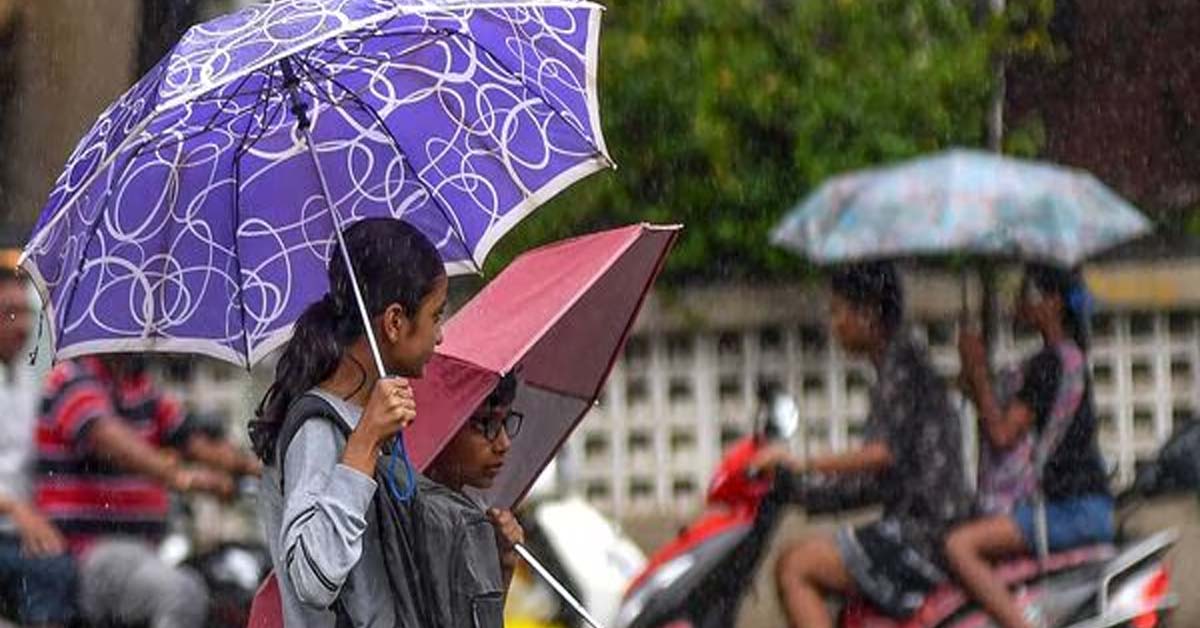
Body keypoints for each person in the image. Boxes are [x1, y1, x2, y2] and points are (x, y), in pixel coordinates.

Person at [753, 261, 973, 627]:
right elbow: (877, 479)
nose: (834, 323)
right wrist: (802, 493)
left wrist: (801, 464)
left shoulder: (902, 369)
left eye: (838, 311)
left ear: (868, 315)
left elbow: (881, 455)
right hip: (919, 524)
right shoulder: (896, 366)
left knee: (795, 566)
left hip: (926, 533)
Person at [253, 217, 450, 627]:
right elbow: (312, 579)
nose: (440, 336)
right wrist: (361, 447)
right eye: (436, 315)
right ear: (395, 322)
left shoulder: (366, 419)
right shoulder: (318, 429)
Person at [34, 349, 261, 628]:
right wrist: (185, 478)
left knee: (226, 588)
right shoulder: (72, 380)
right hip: (88, 552)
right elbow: (114, 443)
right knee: (181, 595)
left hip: (145, 550)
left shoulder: (139, 385)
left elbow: (192, 439)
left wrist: (259, 468)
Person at [944, 264, 1111, 628]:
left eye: (1027, 294)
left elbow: (1002, 435)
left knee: (960, 546)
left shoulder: (1049, 365)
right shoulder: (1070, 360)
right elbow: (994, 411)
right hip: (1089, 505)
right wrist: (975, 376)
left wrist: (977, 373)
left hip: (1066, 510)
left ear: (1052, 304)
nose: (1018, 301)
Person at [0, 267, 76, 628]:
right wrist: (16, 509)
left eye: (25, 312)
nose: (20, 324)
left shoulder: (30, 382)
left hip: (23, 530)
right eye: (7, 312)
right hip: (10, 528)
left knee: (63, 567)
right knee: (49, 574)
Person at [424, 371, 526, 600]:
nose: (503, 444)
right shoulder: (419, 516)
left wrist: (504, 564)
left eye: (505, 422)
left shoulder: (471, 514)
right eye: (485, 424)